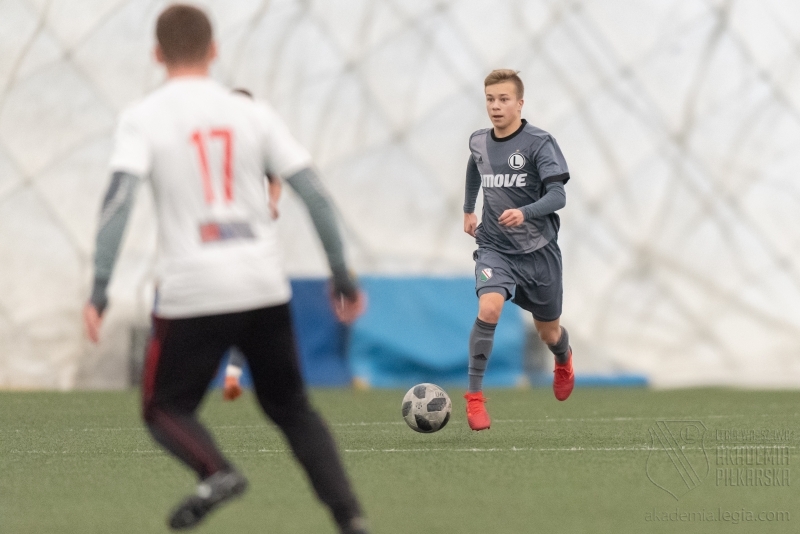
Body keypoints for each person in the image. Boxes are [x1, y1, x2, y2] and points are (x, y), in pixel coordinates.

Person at [82, 5, 368, 532]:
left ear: (156, 54)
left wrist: (100, 288)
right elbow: (315, 195)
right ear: (214, 50)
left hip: (193, 289)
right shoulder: (253, 114)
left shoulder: (144, 117)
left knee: (164, 407)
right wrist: (342, 276)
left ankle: (216, 472)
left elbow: (117, 204)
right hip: (262, 284)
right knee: (292, 408)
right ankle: (350, 518)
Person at [462, 69, 574, 431]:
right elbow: (475, 167)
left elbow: (558, 196)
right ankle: (474, 397)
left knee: (549, 333)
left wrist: (525, 212)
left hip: (539, 252)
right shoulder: (479, 141)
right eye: (490, 99)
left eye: (503, 99)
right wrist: (468, 209)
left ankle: (563, 358)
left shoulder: (539, 143)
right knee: (489, 308)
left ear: (519, 103)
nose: (495, 106)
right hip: (494, 247)